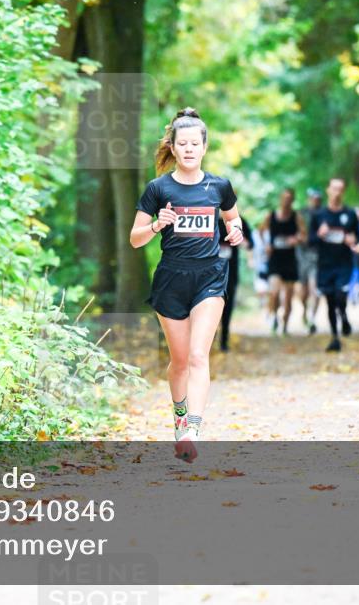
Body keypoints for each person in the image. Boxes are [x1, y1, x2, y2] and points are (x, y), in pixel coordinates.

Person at [130, 107, 244, 462]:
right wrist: (156, 226)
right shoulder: (158, 188)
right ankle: (179, 418)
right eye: (183, 144)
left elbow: (233, 218)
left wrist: (235, 230)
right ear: (174, 148)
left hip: (209, 278)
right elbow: (134, 239)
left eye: (196, 143)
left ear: (204, 147)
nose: (190, 149)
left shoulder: (219, 187)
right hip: (171, 281)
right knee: (179, 362)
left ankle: (193, 429)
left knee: (198, 356)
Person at [309, 178, 359, 352]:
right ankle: (335, 337)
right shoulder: (319, 216)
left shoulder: (350, 214)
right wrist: (320, 234)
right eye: (334, 188)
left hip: (344, 264)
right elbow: (310, 241)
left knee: (341, 295)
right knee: (330, 300)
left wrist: (356, 244)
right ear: (328, 190)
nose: (337, 192)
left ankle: (344, 316)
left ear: (343, 191)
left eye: (340, 189)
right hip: (325, 265)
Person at [261, 188, 305, 335]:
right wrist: (266, 244)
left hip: (290, 260)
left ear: (292, 200)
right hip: (275, 259)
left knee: (288, 296)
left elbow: (304, 235)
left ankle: (285, 326)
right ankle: (274, 317)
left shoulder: (296, 217)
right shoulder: (271, 216)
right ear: (280, 199)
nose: (286, 201)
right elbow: (261, 231)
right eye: (284, 198)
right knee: (274, 291)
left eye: (289, 198)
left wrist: (297, 239)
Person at [217, 216, 253, 351]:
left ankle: (224, 341)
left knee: (227, 305)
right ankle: (208, 338)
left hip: (230, 272)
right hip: (208, 272)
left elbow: (250, 245)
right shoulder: (209, 218)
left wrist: (241, 241)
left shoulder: (240, 222)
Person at [296, 188, 322, 334]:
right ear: (309, 198)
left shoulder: (323, 214)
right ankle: (305, 310)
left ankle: (313, 318)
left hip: (317, 255)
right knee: (303, 290)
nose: (316, 201)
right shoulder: (301, 213)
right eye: (314, 198)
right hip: (301, 255)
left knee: (315, 287)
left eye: (318, 198)